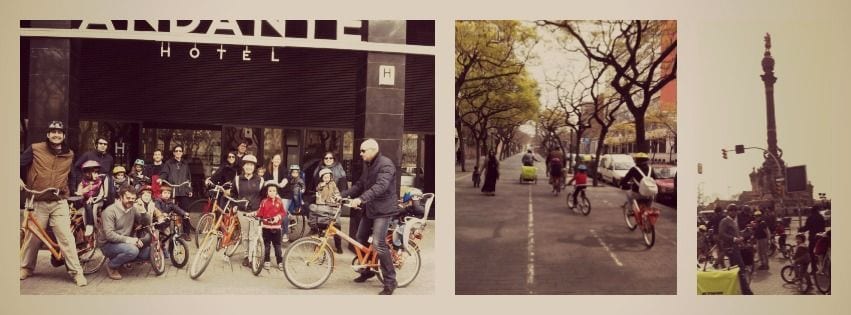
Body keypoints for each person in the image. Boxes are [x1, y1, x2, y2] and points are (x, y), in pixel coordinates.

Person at [19, 120, 88, 286]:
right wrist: (19, 179)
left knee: (66, 237)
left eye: (59, 132)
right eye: (53, 132)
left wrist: (72, 191)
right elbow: (19, 164)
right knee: (33, 237)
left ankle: (77, 273)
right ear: (48, 134)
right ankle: (26, 268)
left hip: (59, 201)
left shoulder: (69, 153)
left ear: (63, 135)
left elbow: (72, 174)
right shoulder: (36, 148)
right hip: (38, 200)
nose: (56, 135)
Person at [341, 139, 399, 295]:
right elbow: (360, 184)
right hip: (371, 208)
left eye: (363, 151)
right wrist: (342, 195)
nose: (360, 154)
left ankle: (390, 281)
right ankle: (367, 271)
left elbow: (380, 186)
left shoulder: (386, 165)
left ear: (373, 150)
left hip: (384, 210)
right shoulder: (369, 165)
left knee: (379, 243)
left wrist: (361, 199)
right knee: (360, 238)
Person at [100, 186, 149, 280]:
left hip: (124, 242)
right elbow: (109, 235)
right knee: (133, 251)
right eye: (128, 198)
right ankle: (111, 266)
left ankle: (122, 261)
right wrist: (130, 240)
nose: (131, 201)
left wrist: (143, 211)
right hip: (108, 244)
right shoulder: (109, 211)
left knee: (147, 253)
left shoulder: (132, 209)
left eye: (133, 199)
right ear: (121, 197)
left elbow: (146, 222)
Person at [311, 151, 349, 250]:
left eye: (330, 158)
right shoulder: (318, 169)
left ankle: (338, 245)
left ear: (334, 159)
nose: (328, 160)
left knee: (336, 224)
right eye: (326, 158)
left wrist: (340, 197)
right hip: (322, 202)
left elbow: (343, 186)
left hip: (334, 202)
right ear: (323, 160)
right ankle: (320, 245)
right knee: (321, 223)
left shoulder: (339, 169)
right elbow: (315, 186)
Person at [233, 154, 263, 267]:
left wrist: (261, 210)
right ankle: (246, 256)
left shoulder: (260, 180)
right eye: (247, 165)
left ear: (254, 167)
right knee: (245, 235)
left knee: (253, 236)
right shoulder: (237, 179)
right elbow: (233, 194)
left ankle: (252, 257)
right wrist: (235, 205)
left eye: (251, 165)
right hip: (242, 211)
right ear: (243, 166)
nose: (249, 167)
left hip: (255, 212)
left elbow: (263, 196)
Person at [717, 204, 754, 295]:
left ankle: (733, 288)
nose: (734, 212)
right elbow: (721, 234)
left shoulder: (733, 221)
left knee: (735, 270)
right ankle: (746, 291)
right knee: (740, 268)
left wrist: (745, 232)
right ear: (728, 211)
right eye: (732, 210)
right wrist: (734, 239)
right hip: (731, 248)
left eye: (735, 210)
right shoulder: (725, 221)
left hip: (736, 248)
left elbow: (736, 234)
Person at [254, 180, 286, 270]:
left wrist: (278, 217)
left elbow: (283, 212)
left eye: (274, 191)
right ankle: (266, 261)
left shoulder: (279, 202)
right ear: (267, 192)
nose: (272, 193)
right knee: (266, 246)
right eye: (270, 191)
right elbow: (260, 212)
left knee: (278, 246)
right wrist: (253, 214)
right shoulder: (264, 202)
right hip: (266, 228)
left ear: (276, 192)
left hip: (277, 228)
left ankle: (280, 261)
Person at [74, 160, 110, 236]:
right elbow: (79, 192)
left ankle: (93, 225)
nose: (96, 175)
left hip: (98, 200)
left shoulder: (100, 182)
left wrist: (94, 199)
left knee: (92, 206)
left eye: (97, 172)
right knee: (88, 205)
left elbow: (101, 193)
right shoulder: (83, 182)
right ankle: (89, 225)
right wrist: (85, 193)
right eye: (94, 173)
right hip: (86, 200)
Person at [313, 168, 344, 253]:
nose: (327, 179)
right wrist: (322, 185)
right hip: (323, 207)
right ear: (322, 178)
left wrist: (338, 198)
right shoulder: (320, 185)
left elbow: (337, 192)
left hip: (333, 207)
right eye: (325, 177)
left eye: (328, 177)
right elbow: (317, 190)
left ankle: (338, 246)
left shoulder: (333, 184)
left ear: (331, 177)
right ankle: (319, 245)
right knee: (322, 228)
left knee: (336, 227)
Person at [159, 145, 193, 221]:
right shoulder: (169, 163)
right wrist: (161, 178)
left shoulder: (185, 163)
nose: (178, 152)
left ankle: (186, 232)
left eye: (180, 151)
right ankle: (169, 229)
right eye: (176, 151)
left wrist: (190, 189)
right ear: (174, 153)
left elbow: (188, 178)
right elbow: (164, 172)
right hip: (172, 190)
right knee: (169, 210)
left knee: (185, 211)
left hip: (183, 191)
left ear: (182, 153)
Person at [798, 207, 826, 274]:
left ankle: (814, 269)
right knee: (821, 253)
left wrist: (800, 229)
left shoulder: (810, 217)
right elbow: (824, 227)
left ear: (812, 211)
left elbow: (806, 227)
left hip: (813, 238)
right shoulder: (821, 217)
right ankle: (824, 267)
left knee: (811, 252)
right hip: (821, 237)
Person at [282, 164, 306, 240]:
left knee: (296, 193)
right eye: (293, 172)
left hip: (296, 196)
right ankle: (290, 218)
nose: (294, 174)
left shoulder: (300, 180)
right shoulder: (290, 179)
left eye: (296, 172)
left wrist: (302, 190)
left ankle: (297, 207)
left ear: (298, 173)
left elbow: (303, 187)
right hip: (289, 196)